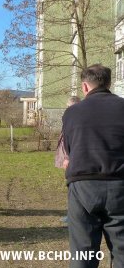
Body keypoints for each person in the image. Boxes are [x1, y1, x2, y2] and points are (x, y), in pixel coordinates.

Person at [62, 64, 124, 268]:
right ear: (108, 83)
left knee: (83, 254)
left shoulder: (72, 113)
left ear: (85, 87)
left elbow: (69, 149)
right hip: (120, 185)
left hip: (82, 186)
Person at [55, 96, 81, 224]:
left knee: (74, 188)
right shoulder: (71, 118)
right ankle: (72, 215)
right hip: (68, 159)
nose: (67, 108)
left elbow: (72, 141)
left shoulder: (76, 119)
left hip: (72, 160)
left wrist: (67, 157)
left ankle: (73, 217)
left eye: (68, 106)